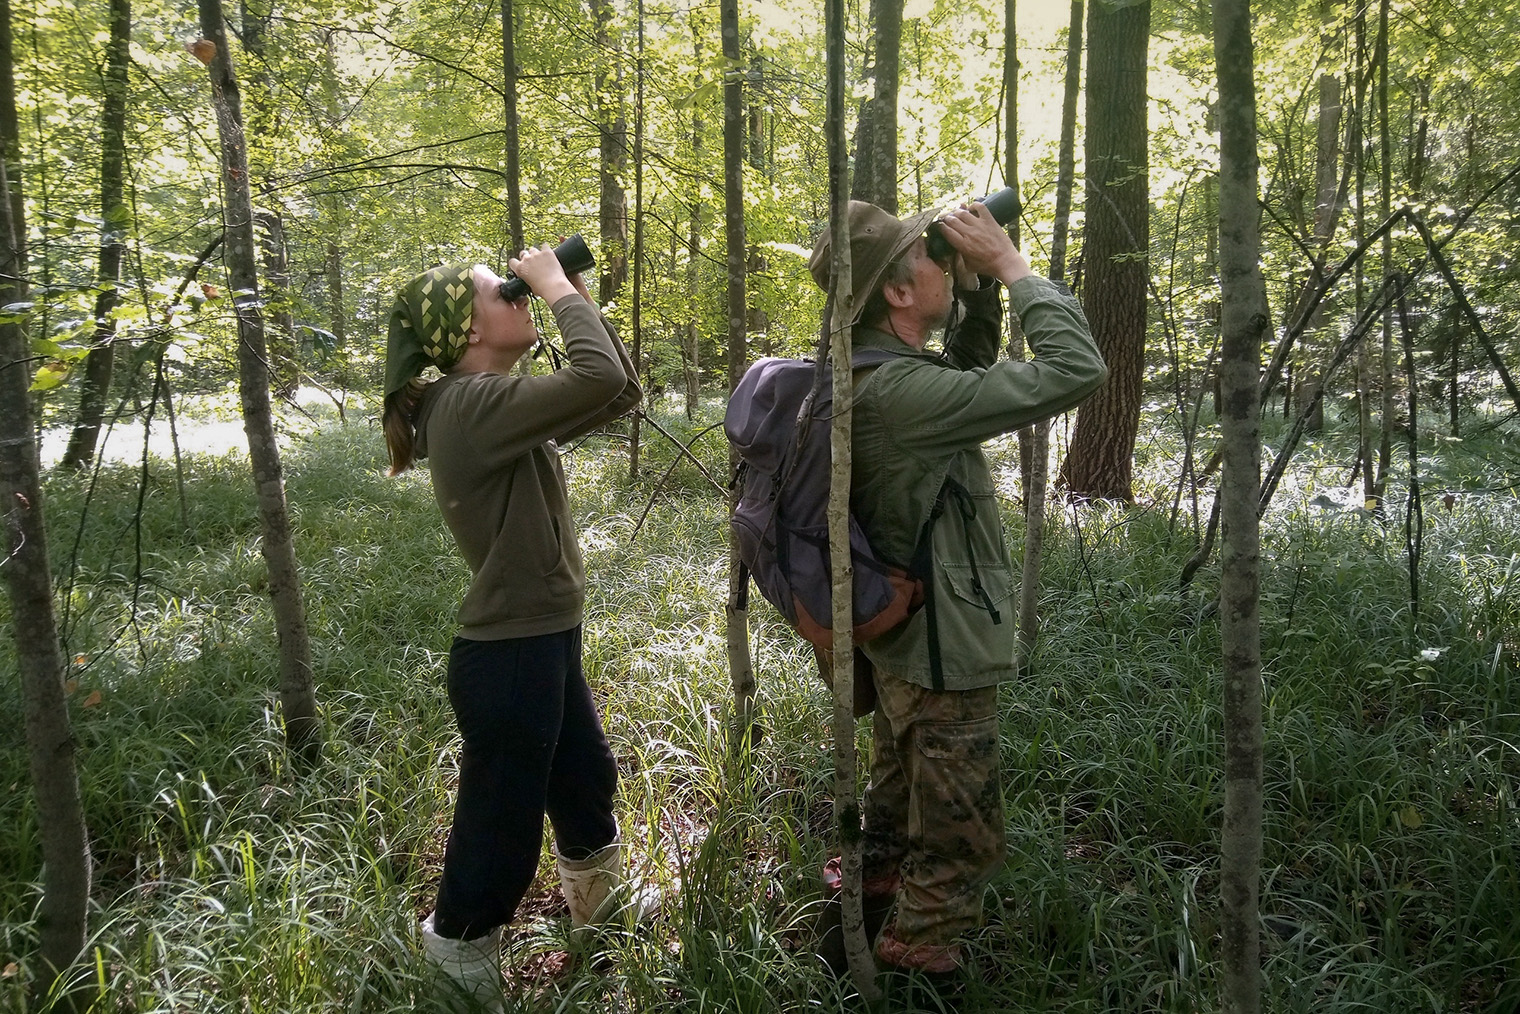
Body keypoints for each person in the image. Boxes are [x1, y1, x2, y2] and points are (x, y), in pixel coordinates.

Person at [807, 200, 1107, 982]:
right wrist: (1012, 267)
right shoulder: (901, 395)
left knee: (903, 791)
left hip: (900, 631)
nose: (945, 260)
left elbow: (963, 374)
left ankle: (864, 914)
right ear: (898, 296)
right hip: (940, 642)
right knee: (960, 826)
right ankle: (917, 961)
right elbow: (1077, 371)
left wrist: (973, 290)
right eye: (931, 255)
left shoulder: (870, 371)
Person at [381, 247, 645, 1008]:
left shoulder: (487, 398)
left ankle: (600, 910)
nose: (520, 292)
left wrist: (573, 294)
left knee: (584, 783)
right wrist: (557, 288)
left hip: (541, 638)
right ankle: (456, 959)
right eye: (503, 291)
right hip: (510, 652)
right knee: (500, 830)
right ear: (467, 333)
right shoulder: (470, 406)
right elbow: (596, 377)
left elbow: (618, 388)